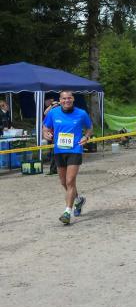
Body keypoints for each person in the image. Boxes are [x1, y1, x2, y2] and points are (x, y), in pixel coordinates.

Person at [42, 91, 92, 225]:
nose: (67, 100)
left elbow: (89, 128)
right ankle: (79, 200)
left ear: (73, 99)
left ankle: (67, 212)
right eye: (64, 98)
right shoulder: (53, 113)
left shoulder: (81, 113)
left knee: (70, 181)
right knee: (64, 182)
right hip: (59, 151)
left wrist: (86, 137)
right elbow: (45, 127)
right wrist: (45, 133)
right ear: (60, 100)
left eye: (69, 98)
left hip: (75, 150)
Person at [43, 98, 59, 175]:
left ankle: (55, 169)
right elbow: (45, 113)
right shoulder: (51, 112)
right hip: (51, 134)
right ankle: (53, 170)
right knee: (52, 153)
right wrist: (51, 105)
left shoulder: (61, 111)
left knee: (56, 153)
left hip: (59, 135)